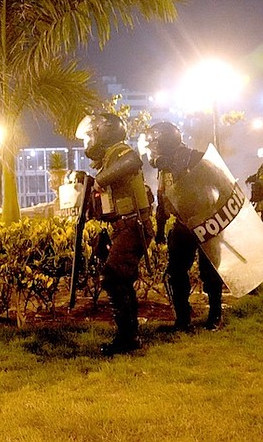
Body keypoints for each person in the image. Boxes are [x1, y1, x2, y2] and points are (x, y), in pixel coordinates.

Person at [76, 113, 153, 356]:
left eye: (92, 134)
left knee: (112, 277)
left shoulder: (120, 151)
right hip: (126, 226)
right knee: (122, 280)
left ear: (104, 132)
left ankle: (127, 337)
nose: (90, 139)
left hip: (133, 225)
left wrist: (98, 180)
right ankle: (131, 336)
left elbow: (132, 160)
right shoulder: (109, 158)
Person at [144, 122, 224, 331]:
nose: (153, 153)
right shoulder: (164, 168)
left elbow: (223, 184)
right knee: (176, 272)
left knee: (210, 272)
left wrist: (217, 214)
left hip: (207, 222)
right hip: (182, 225)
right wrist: (160, 230)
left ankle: (215, 314)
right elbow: (163, 198)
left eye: (155, 146)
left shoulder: (197, 158)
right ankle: (183, 318)